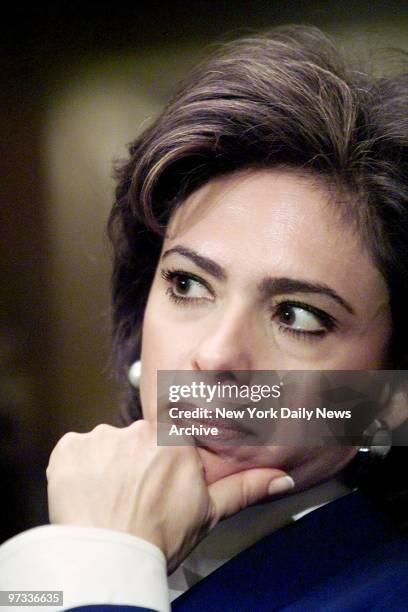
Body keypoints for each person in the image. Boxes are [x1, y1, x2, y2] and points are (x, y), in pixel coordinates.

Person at [1, 24, 408, 611]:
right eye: (188, 284)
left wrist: (106, 562)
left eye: (296, 315)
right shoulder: (68, 528)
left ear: (390, 399)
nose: (216, 356)